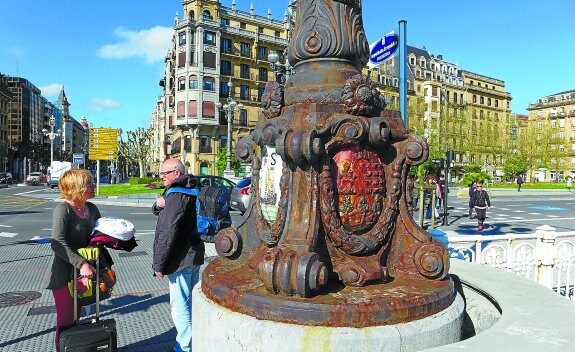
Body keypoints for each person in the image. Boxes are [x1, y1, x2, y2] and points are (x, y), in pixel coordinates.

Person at [43, 169, 107, 350]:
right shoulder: (63, 210)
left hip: (85, 272)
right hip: (63, 274)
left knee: (76, 317)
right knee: (65, 320)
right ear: (77, 187)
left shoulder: (91, 208)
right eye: (89, 184)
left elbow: (99, 235)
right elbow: (57, 243)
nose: (94, 186)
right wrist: (82, 263)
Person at [152, 158, 204, 352]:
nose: (161, 177)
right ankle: (193, 340)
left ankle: (184, 346)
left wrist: (159, 264)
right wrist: (158, 205)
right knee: (190, 302)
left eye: (165, 173)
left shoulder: (176, 194)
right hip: (195, 255)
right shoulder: (193, 188)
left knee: (179, 306)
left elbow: (168, 231)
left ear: (176, 172)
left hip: (180, 259)